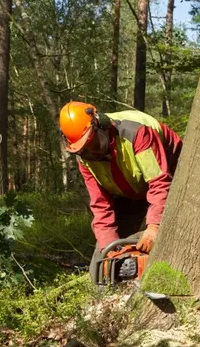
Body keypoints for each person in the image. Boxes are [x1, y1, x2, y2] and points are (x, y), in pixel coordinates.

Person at [59, 101, 183, 280]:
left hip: (171, 176)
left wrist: (154, 226)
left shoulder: (136, 133)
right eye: (83, 151)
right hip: (130, 190)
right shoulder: (85, 160)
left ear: (100, 124)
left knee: (162, 235)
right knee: (101, 266)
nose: (91, 153)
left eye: (92, 144)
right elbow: (100, 206)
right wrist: (110, 248)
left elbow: (159, 182)